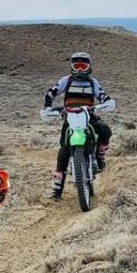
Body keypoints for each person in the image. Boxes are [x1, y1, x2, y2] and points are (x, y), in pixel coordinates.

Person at [43, 50, 113, 199]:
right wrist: (48, 107)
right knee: (64, 149)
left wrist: (106, 102)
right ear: (72, 66)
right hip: (70, 117)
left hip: (88, 115)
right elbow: (51, 93)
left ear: (88, 66)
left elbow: (102, 94)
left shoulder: (93, 82)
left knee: (105, 130)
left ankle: (100, 155)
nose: (80, 69)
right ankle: (57, 188)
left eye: (83, 65)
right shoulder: (65, 81)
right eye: (77, 65)